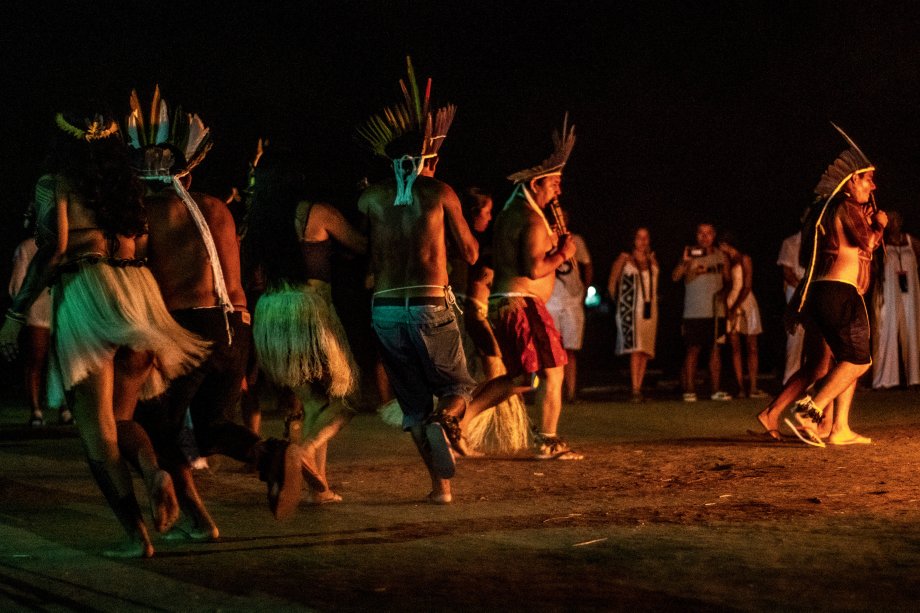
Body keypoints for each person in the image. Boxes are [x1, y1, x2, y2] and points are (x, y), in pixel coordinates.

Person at [0, 112, 210, 558]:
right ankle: (155, 473)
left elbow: (54, 248)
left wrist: (16, 315)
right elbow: (145, 245)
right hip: (137, 294)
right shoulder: (128, 187)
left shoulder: (53, 182)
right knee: (123, 418)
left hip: (87, 292)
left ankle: (136, 536)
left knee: (98, 435)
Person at [125, 88, 318, 531]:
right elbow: (234, 277)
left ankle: (196, 520)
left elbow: (140, 278)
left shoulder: (146, 213)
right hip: (235, 326)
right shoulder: (217, 208)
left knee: (158, 430)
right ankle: (270, 455)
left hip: (186, 327)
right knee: (212, 427)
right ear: (188, 172)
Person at [356, 57, 478, 504]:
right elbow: (470, 251)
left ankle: (438, 488)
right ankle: (445, 417)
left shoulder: (370, 197)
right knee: (457, 387)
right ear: (431, 156)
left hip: (386, 308)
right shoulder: (441, 192)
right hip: (431, 305)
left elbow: (367, 247)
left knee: (411, 405)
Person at [246, 145, 367, 504]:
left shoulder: (260, 220)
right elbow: (362, 245)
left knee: (313, 402)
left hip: (271, 311)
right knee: (346, 401)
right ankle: (301, 453)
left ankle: (321, 487)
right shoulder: (316, 213)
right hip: (308, 309)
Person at [758, 124, 885, 446]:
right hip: (840, 293)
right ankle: (810, 411)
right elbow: (867, 243)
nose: (873, 185)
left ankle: (836, 426)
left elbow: (813, 258)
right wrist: (879, 225)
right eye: (867, 178)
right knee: (858, 360)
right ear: (852, 179)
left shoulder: (823, 212)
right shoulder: (845, 207)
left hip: (822, 293)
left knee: (830, 363)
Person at [487, 114, 583, 460]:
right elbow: (535, 267)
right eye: (554, 184)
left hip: (510, 302)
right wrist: (563, 253)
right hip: (522, 303)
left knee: (522, 379)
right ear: (535, 185)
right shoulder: (527, 217)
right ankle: (547, 440)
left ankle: (457, 418)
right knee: (553, 371)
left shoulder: (514, 213)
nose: (558, 191)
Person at [452, 187, 532, 454]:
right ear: (473, 213)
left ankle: (459, 433)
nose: (490, 217)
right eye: (486, 212)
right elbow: (472, 295)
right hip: (469, 316)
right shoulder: (469, 247)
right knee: (485, 376)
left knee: (484, 377)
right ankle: (458, 432)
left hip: (474, 315)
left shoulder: (473, 244)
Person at [7, 204, 72, 427]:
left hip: (62, 307)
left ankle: (65, 407)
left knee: (65, 360)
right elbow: (17, 286)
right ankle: (36, 410)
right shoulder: (26, 247)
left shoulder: (64, 246)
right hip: (38, 310)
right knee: (36, 359)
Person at [672, 223, 731, 402]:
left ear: (714, 235)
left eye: (709, 233)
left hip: (716, 311)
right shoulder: (690, 254)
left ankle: (715, 390)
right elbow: (675, 277)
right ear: (696, 235)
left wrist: (724, 292)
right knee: (693, 349)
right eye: (701, 233)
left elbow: (728, 280)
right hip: (694, 310)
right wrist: (685, 261)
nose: (705, 237)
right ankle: (689, 390)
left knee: (715, 349)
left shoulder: (721, 256)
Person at [544, 211, 593, 403]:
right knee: (551, 350)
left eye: (563, 217)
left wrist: (584, 289)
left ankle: (571, 393)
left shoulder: (576, 241)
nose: (560, 220)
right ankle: (551, 392)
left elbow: (587, 265)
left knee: (570, 349)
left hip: (572, 301)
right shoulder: (545, 239)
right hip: (551, 300)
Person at [609, 227, 659, 403]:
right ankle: (635, 388)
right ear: (633, 240)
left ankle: (639, 386)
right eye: (639, 237)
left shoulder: (652, 260)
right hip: (631, 309)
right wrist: (619, 305)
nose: (642, 241)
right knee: (635, 348)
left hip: (649, 309)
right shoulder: (625, 259)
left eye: (646, 237)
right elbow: (612, 284)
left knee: (645, 349)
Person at [871, 210, 920, 389]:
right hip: (889, 290)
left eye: (896, 219)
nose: (894, 223)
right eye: (890, 220)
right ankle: (885, 380)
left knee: (913, 330)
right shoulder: (881, 241)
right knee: (887, 331)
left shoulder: (909, 240)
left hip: (909, 289)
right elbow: (873, 265)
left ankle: (915, 379)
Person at [719, 231, 766, 398]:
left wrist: (736, 306)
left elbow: (747, 285)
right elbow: (726, 283)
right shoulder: (727, 261)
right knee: (735, 346)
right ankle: (740, 387)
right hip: (731, 299)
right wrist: (728, 306)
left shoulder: (744, 258)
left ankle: (753, 386)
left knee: (751, 345)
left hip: (746, 300)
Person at [777, 211, 808, 384]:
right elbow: (787, 272)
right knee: (795, 335)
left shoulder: (821, 241)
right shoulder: (790, 243)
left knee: (816, 337)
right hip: (796, 292)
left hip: (816, 291)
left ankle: (810, 380)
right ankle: (790, 379)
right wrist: (803, 288)